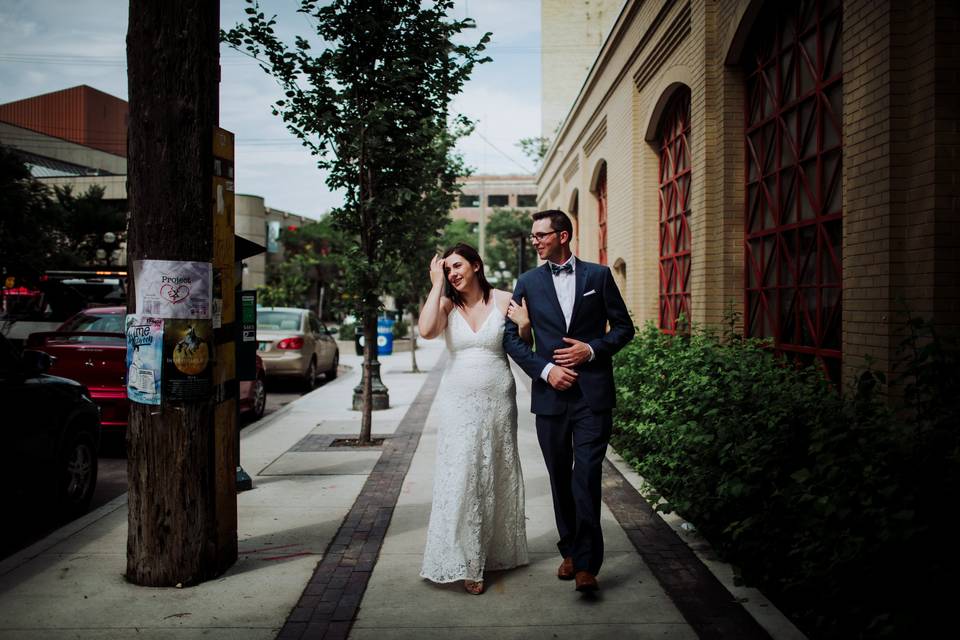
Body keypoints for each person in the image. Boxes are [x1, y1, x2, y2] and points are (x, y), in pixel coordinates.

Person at [503, 209, 634, 593]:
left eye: (541, 235)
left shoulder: (599, 276)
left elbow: (624, 328)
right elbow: (511, 339)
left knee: (586, 476)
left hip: (593, 396)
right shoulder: (526, 282)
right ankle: (571, 550)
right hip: (550, 397)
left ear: (563, 236)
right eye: (532, 236)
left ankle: (588, 565)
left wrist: (591, 350)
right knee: (560, 477)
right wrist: (546, 370)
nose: (535, 241)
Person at [417, 243, 529, 595]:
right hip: (458, 404)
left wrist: (525, 326)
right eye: (447, 269)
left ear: (476, 265)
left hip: (499, 400)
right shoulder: (447, 304)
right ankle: (468, 561)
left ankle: (492, 552)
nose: (453, 273)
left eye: (457, 266)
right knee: (464, 476)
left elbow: (523, 345)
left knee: (494, 473)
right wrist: (436, 285)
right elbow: (426, 330)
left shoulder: (504, 299)